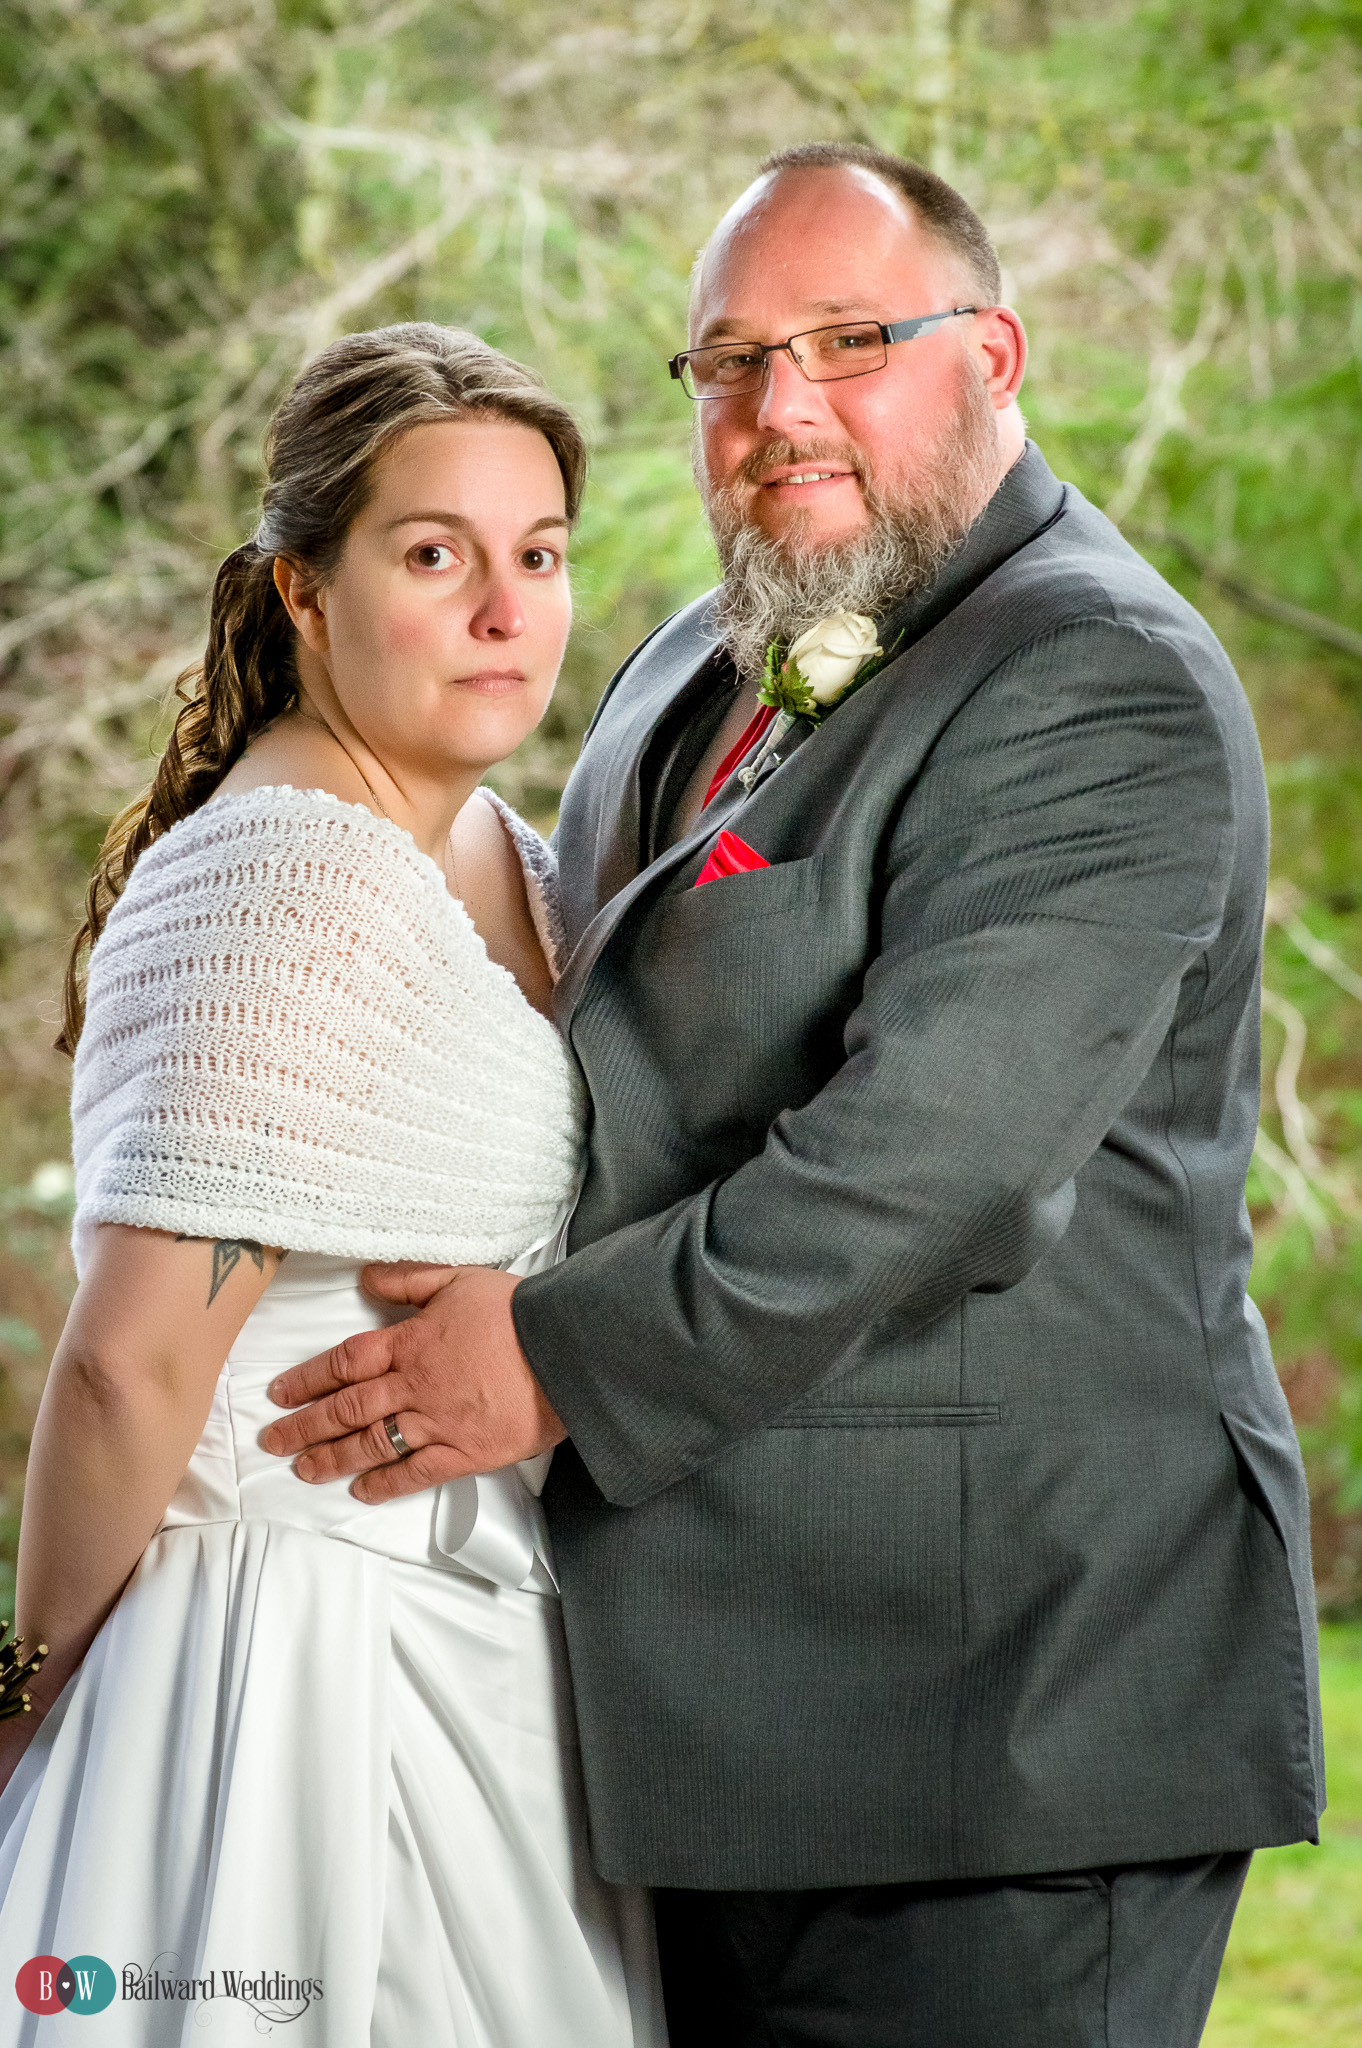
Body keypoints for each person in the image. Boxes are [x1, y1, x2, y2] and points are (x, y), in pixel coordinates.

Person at [263, 147, 1324, 2047]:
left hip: (997, 1722)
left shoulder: (1102, 677)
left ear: (990, 355)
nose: (781, 409)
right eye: (731, 362)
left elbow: (937, 1165)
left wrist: (553, 1361)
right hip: (708, 1709)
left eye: (853, 342)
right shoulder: (698, 651)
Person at [0, 324, 664, 2048]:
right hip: (279, 1675)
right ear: (303, 591)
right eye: (433, 555)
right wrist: (27, 1707)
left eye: (538, 556)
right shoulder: (280, 882)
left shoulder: (504, 852)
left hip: (492, 1661)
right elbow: (127, 1368)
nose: (506, 611)